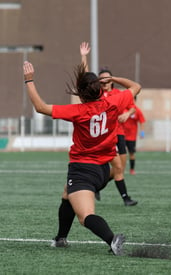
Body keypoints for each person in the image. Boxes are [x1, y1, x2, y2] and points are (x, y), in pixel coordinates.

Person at [22, 60, 142, 255]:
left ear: (81, 92)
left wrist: (29, 80)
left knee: (85, 216)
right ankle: (61, 238)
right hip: (103, 169)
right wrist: (113, 79)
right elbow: (136, 87)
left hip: (83, 170)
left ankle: (112, 240)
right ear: (100, 89)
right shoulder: (112, 102)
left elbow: (40, 107)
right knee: (67, 195)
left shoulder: (78, 111)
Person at [80, 42, 138, 206]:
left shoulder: (118, 94)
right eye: (101, 78)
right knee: (116, 167)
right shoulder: (96, 94)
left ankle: (97, 187)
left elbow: (133, 107)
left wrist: (127, 113)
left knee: (119, 169)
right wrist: (84, 56)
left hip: (118, 134)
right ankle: (125, 198)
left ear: (111, 80)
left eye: (107, 78)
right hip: (104, 137)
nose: (104, 80)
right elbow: (86, 76)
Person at [124, 103, 146, 175]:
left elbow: (142, 121)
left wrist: (142, 132)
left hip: (131, 137)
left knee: (131, 153)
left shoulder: (137, 110)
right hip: (121, 135)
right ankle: (120, 170)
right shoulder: (122, 109)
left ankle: (132, 169)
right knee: (120, 154)